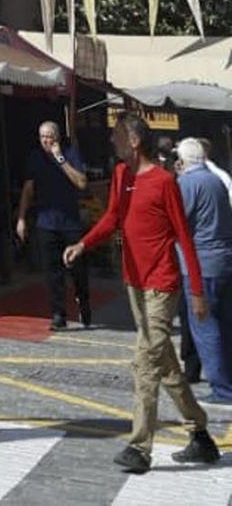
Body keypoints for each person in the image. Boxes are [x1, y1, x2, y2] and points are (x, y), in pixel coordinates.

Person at [64, 111, 216, 474]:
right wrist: (84, 244)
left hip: (161, 284)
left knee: (145, 363)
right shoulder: (121, 175)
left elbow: (184, 237)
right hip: (134, 282)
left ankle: (139, 447)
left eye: (117, 135)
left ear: (134, 141)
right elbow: (113, 218)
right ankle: (200, 432)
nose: (112, 140)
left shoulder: (164, 182)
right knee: (166, 364)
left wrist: (196, 291)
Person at [15, 119, 91, 329]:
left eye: (49, 136)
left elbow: (82, 183)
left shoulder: (70, 153)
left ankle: (84, 302)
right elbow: (28, 190)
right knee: (52, 273)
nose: (46, 141)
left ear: (57, 137)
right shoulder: (35, 157)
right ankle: (59, 314)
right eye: (42, 137)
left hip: (70, 222)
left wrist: (61, 160)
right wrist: (21, 218)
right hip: (46, 223)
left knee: (77, 270)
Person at [175, 137, 232, 403]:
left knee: (205, 326)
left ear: (183, 160)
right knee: (223, 324)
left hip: (202, 263)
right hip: (224, 260)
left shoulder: (188, 183)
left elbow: (178, 221)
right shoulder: (215, 180)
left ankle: (222, 389)